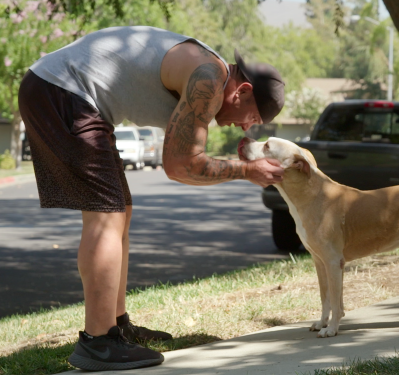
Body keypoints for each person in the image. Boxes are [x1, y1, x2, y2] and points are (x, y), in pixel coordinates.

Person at [18, 26, 285, 371]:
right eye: (252, 118)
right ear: (243, 91)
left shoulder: (208, 71)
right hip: (61, 91)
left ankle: (116, 325)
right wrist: (248, 171)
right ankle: (99, 343)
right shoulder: (208, 78)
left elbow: (182, 161)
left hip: (71, 96)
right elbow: (180, 165)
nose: (246, 128)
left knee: (120, 211)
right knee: (107, 216)